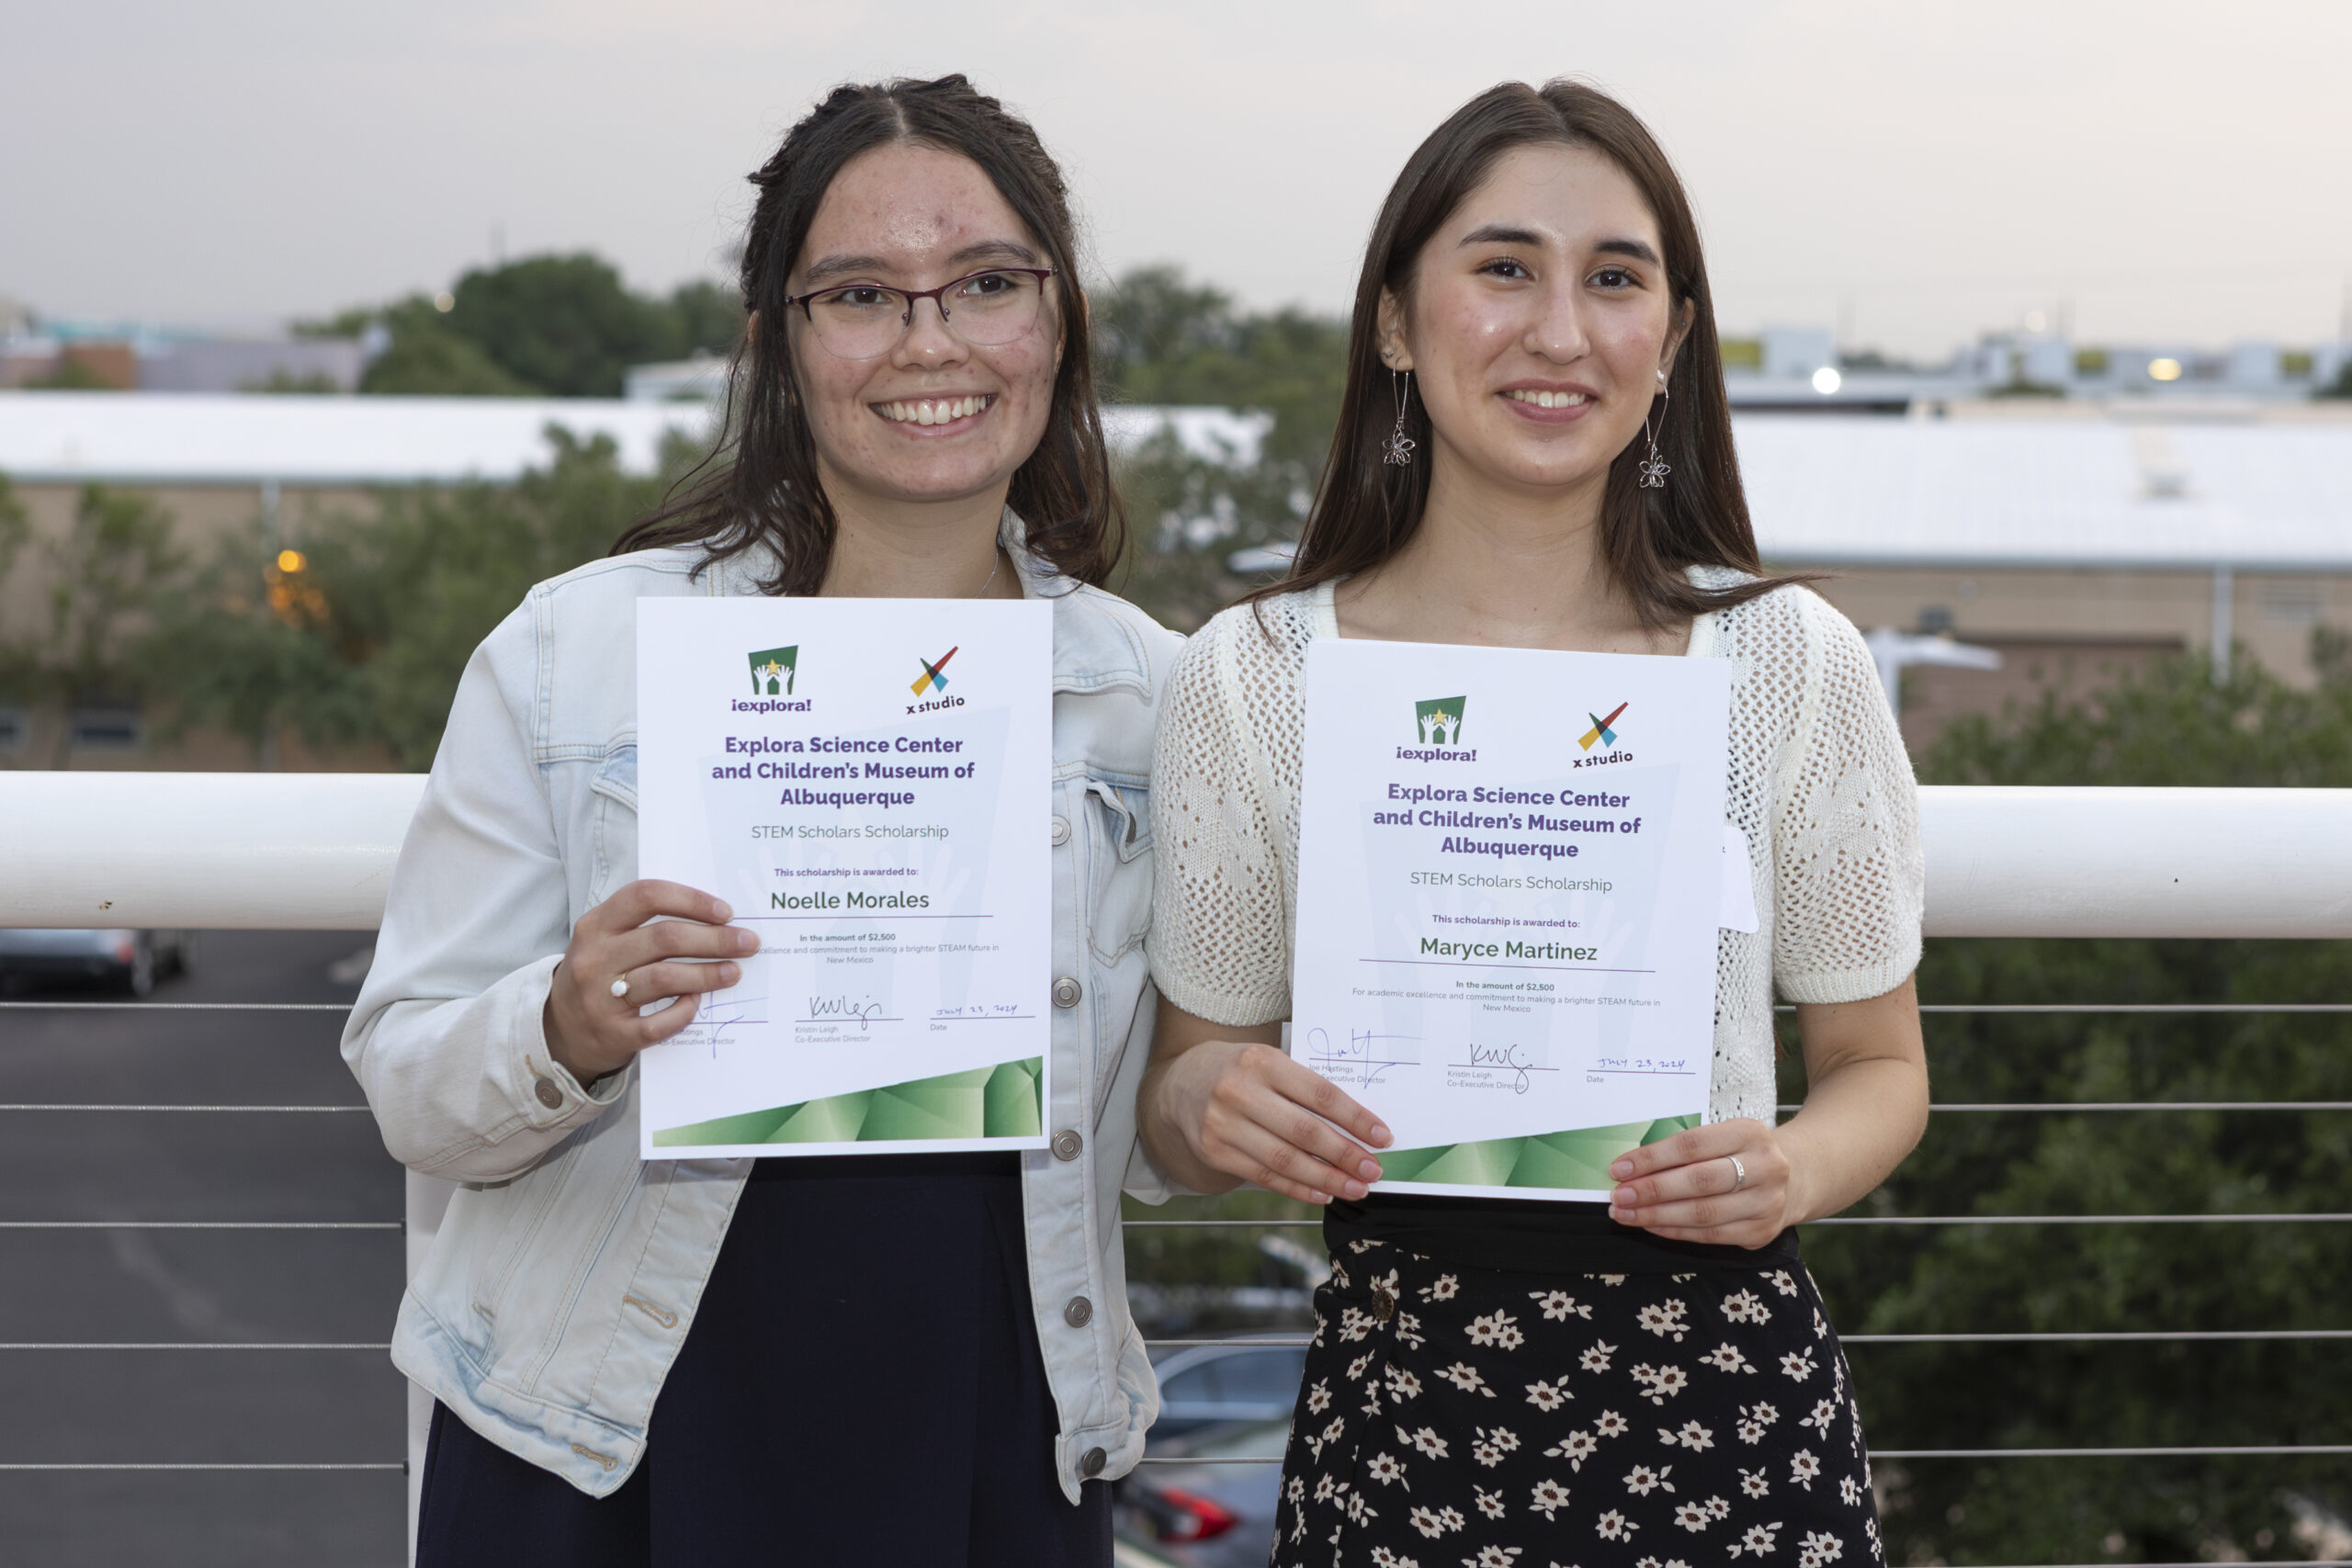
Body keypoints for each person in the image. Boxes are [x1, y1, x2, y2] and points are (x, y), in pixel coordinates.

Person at [345, 75, 1178, 1568]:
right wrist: (568, 1024)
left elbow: (1168, 1140)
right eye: (861, 293)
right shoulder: (573, 655)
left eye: (986, 284)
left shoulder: (1154, 698)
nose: (931, 342)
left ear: (1056, 319)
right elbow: (411, 1085)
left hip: (994, 1425)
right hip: (608, 1445)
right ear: (777, 343)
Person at [1137, 80, 1927, 1563]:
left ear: (1673, 339)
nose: (1560, 331)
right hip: (1404, 1415)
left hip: (1730, 1421)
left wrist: (1794, 1169)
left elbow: (1881, 1067)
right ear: (1392, 317)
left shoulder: (1787, 663)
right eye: (1504, 268)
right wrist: (1220, 1107)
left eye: (1614, 280)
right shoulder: (1252, 676)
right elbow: (1182, 1107)